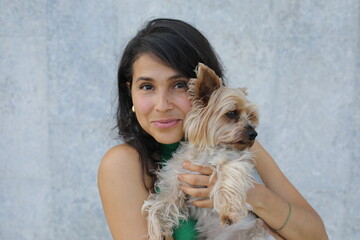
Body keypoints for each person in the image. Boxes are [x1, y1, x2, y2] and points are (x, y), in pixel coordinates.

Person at [97, 18, 328, 240]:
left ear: (204, 93)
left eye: (179, 85)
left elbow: (317, 236)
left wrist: (252, 195)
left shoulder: (239, 146)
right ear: (131, 93)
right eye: (147, 86)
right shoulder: (123, 164)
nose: (162, 105)